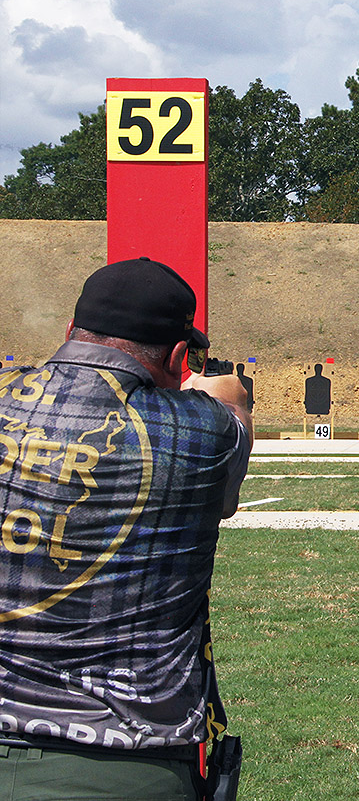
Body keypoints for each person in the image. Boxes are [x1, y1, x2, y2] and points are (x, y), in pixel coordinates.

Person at [0, 257, 252, 800]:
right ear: (181, 356)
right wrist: (228, 391)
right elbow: (228, 437)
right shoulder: (204, 432)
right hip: (126, 764)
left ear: (70, 332)